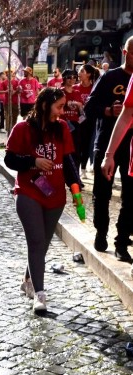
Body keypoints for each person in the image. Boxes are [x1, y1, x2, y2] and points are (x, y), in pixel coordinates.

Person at [4, 87, 80, 312]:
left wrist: (76, 192)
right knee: (36, 242)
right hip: (29, 192)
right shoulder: (22, 128)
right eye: (59, 107)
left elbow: (68, 162)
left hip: (55, 195)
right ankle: (40, 295)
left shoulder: (63, 128)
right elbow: (9, 159)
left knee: (42, 245)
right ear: (46, 105)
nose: (62, 112)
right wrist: (32, 162)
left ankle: (28, 279)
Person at [85, 36, 133, 260]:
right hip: (107, 142)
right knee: (102, 193)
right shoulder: (110, 77)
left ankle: (122, 241)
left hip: (131, 146)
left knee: (130, 196)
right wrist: (107, 111)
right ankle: (101, 231)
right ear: (125, 53)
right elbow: (89, 106)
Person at [76, 64, 100, 177]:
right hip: (77, 122)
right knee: (79, 145)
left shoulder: (95, 88)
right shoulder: (75, 88)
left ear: (89, 74)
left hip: (92, 121)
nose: (79, 73)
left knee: (90, 145)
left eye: (82, 71)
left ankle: (85, 168)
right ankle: (79, 167)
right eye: (79, 71)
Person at [60, 69, 84, 174]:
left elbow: (82, 111)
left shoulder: (77, 92)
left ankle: (76, 175)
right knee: (64, 150)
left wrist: (79, 105)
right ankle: (63, 173)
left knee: (76, 150)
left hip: (75, 124)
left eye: (74, 77)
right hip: (63, 123)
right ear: (64, 78)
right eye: (69, 77)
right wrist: (65, 104)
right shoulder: (60, 92)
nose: (72, 79)